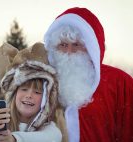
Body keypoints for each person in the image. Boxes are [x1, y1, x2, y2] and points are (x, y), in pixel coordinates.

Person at [44, 7, 133, 142]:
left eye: (76, 45)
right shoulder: (41, 82)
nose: (69, 51)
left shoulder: (119, 82)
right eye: (63, 45)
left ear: (90, 48)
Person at [0, 42, 62, 142]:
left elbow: (49, 138)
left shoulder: (50, 130)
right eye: (24, 89)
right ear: (14, 94)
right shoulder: (2, 116)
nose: (29, 95)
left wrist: (14, 139)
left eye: (37, 92)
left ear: (46, 99)